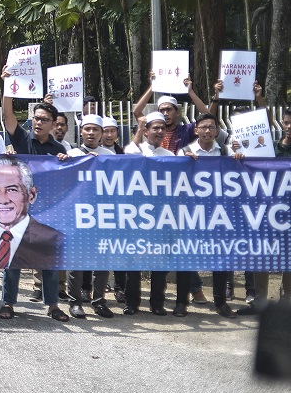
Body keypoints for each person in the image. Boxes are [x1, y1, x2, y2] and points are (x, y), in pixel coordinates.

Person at [0, 69, 68, 321]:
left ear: (53, 124)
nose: (38, 122)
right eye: (36, 118)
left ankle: (52, 305)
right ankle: (8, 303)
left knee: (48, 260)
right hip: (20, 211)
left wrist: (63, 161)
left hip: (48, 210)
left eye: (44, 119)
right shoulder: (23, 141)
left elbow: (64, 179)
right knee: (13, 258)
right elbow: (7, 115)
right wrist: (7, 84)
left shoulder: (58, 149)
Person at [173, 113, 240, 318]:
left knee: (220, 259)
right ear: (196, 130)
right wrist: (181, 163)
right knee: (186, 259)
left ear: (217, 131)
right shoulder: (185, 151)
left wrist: (240, 158)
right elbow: (172, 178)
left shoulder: (226, 151)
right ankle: (181, 302)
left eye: (212, 127)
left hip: (219, 215)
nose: (208, 131)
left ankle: (220, 303)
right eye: (204, 127)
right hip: (191, 215)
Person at [63, 115, 115, 319]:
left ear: (102, 133)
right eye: (87, 129)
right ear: (81, 132)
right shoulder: (72, 153)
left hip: (102, 215)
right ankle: (75, 302)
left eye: (96, 129)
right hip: (78, 214)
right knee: (76, 262)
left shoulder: (108, 155)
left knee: (102, 261)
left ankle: (99, 300)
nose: (91, 133)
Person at [121, 112, 173, 315]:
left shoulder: (170, 156)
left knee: (159, 262)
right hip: (136, 215)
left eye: (162, 128)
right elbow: (129, 159)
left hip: (161, 216)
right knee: (134, 261)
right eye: (155, 128)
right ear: (145, 131)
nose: (159, 131)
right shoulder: (136, 149)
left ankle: (157, 303)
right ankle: (132, 303)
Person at [131, 73, 214, 154]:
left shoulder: (186, 130)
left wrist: (190, 92)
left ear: (177, 112)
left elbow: (208, 118)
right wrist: (152, 88)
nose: (165, 113)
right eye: (162, 110)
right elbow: (136, 112)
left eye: (169, 109)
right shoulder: (152, 128)